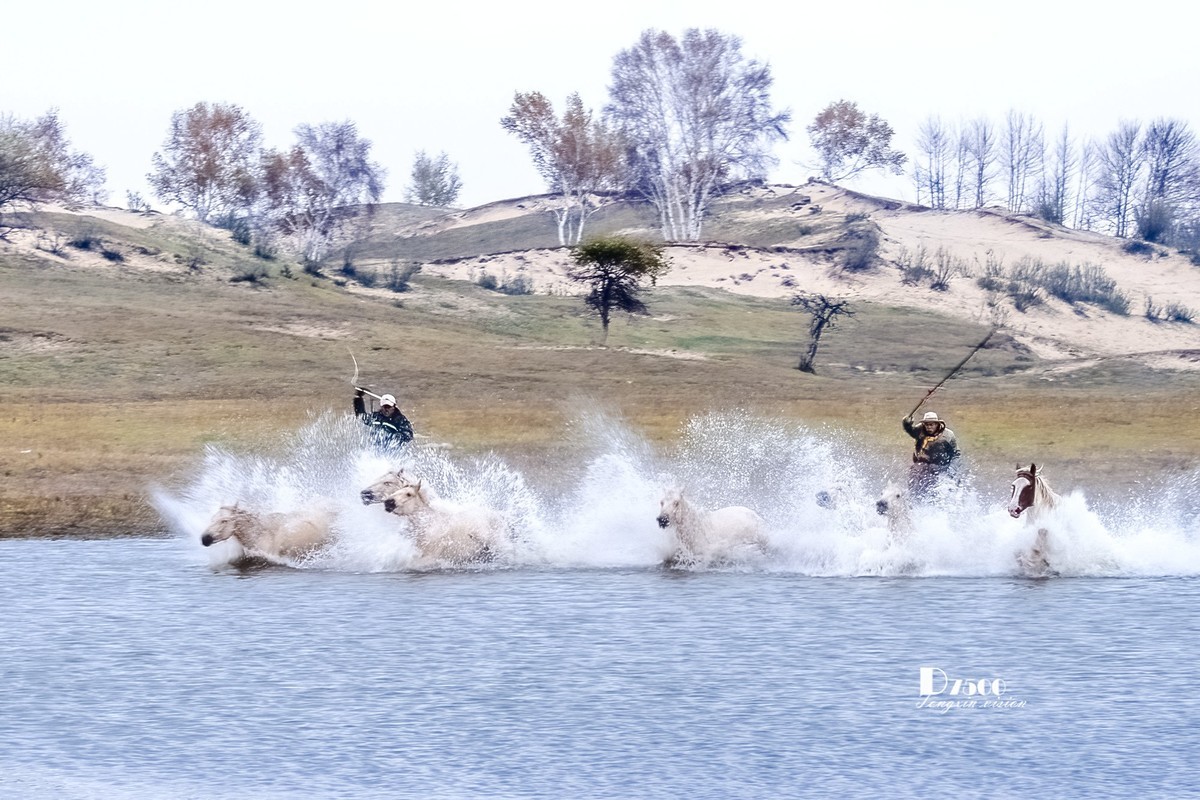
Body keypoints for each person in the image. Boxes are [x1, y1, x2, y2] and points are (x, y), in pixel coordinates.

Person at [902, 410, 961, 498]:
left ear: (937, 424)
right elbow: (910, 430)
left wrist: (951, 470)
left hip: (942, 468)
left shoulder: (948, 435)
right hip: (921, 466)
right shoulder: (919, 430)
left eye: (931, 425)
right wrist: (906, 423)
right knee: (915, 486)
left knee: (944, 492)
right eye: (926, 424)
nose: (928, 427)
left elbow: (956, 454)